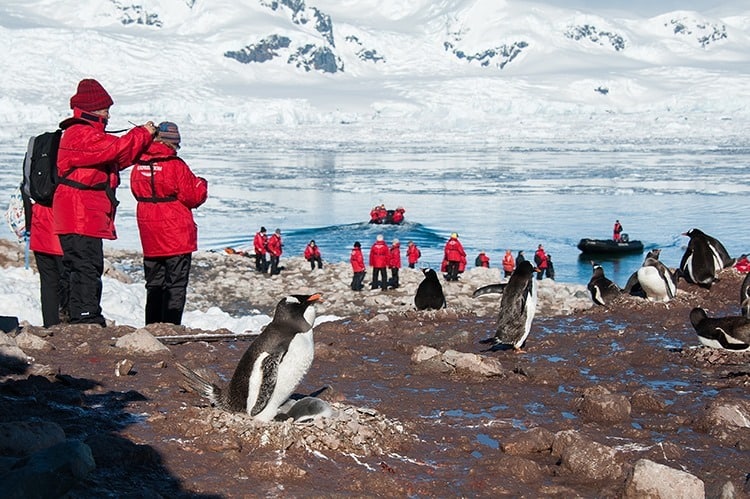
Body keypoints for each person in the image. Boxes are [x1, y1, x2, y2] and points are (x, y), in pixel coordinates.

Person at [53, 78, 157, 326]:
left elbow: (118, 156)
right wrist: (142, 133)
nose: (108, 115)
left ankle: (74, 313)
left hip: (83, 212)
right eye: (104, 109)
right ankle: (85, 317)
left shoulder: (87, 135)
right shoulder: (80, 134)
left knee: (80, 265)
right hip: (80, 213)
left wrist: (142, 139)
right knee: (85, 265)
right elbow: (113, 150)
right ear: (92, 109)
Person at [131, 121, 208, 325]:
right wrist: (201, 183)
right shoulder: (176, 165)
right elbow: (193, 196)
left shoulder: (138, 165)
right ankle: (171, 326)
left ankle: (152, 325)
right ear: (173, 143)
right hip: (176, 233)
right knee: (175, 283)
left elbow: (136, 191)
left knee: (154, 282)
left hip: (150, 232)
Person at [28, 198, 69, 327]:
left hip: (39, 224)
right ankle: (70, 320)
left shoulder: (32, 177)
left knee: (48, 282)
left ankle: (50, 324)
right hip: (61, 228)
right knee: (68, 279)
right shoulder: (62, 177)